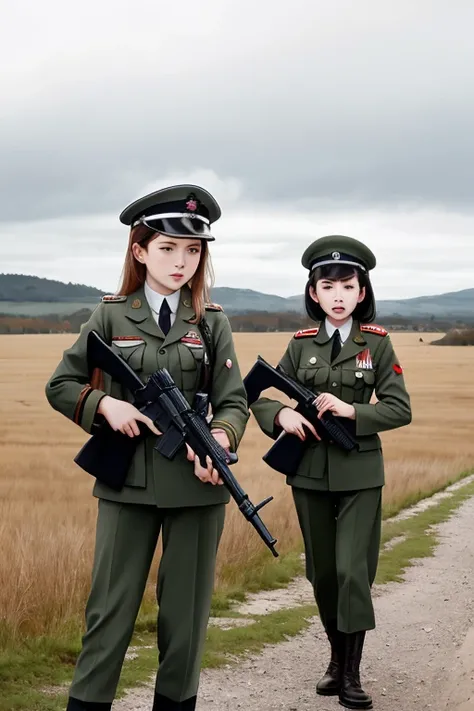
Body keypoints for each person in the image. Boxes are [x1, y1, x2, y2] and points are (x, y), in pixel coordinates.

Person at [45, 184, 249, 711]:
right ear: (139, 250)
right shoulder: (111, 316)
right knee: (109, 613)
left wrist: (222, 439)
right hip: (127, 483)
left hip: (197, 485)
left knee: (185, 621)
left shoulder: (213, 321)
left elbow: (233, 402)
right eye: (167, 248)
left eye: (193, 250)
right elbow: (61, 384)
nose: (181, 261)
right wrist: (103, 406)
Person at [249, 236, 411, 710]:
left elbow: (400, 409)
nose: (338, 294)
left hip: (360, 472)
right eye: (328, 285)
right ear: (314, 293)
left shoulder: (376, 344)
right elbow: (257, 394)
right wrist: (280, 417)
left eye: (348, 285)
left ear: (362, 292)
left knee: (351, 570)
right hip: (310, 473)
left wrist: (351, 411)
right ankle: (336, 661)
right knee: (322, 573)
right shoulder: (300, 347)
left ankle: (354, 676)